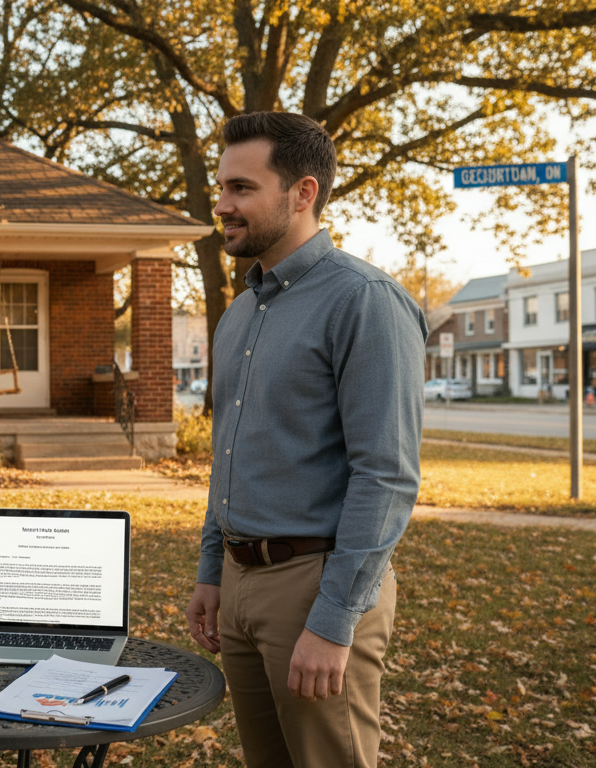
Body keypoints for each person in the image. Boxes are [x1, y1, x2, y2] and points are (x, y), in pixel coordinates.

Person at [185, 112, 427, 768]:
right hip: (239, 585)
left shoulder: (364, 300)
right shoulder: (240, 312)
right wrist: (213, 572)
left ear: (303, 193)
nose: (223, 205)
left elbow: (387, 473)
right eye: (222, 187)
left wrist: (333, 619)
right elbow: (229, 456)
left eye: (241, 188)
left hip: (313, 585)